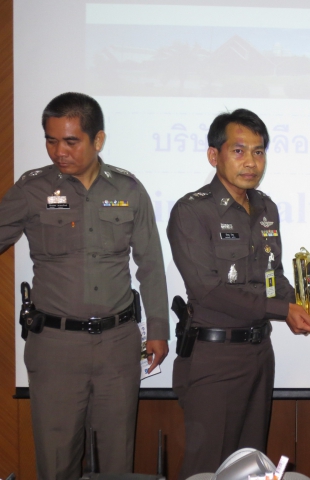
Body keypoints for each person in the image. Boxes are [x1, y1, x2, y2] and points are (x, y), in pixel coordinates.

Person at [0, 92, 169, 479]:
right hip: (55, 347)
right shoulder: (32, 189)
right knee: (56, 461)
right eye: (51, 140)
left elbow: (151, 264)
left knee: (117, 462)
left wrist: (158, 330)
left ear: (98, 139)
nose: (59, 151)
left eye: (70, 141)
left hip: (117, 345)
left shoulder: (128, 189)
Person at [167, 108, 310, 478]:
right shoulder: (192, 211)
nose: (251, 162)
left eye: (258, 151)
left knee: (250, 467)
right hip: (214, 358)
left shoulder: (266, 207)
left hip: (259, 355)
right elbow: (208, 291)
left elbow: (273, 276)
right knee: (208, 469)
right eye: (239, 151)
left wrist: (309, 305)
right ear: (214, 155)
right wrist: (283, 310)